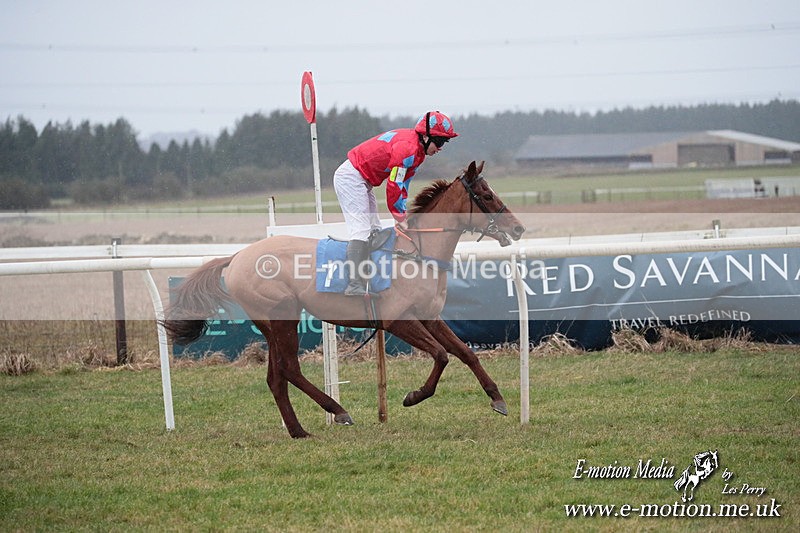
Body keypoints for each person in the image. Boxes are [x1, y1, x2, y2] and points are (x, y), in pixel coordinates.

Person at [333, 111, 458, 296]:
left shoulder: (418, 153)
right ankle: (354, 284)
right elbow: (394, 185)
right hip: (351, 178)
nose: (440, 148)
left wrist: (402, 214)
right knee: (361, 230)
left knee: (375, 229)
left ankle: (369, 278)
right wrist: (399, 216)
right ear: (425, 137)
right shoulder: (407, 149)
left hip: (363, 180)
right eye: (439, 142)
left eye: (444, 143)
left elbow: (404, 185)